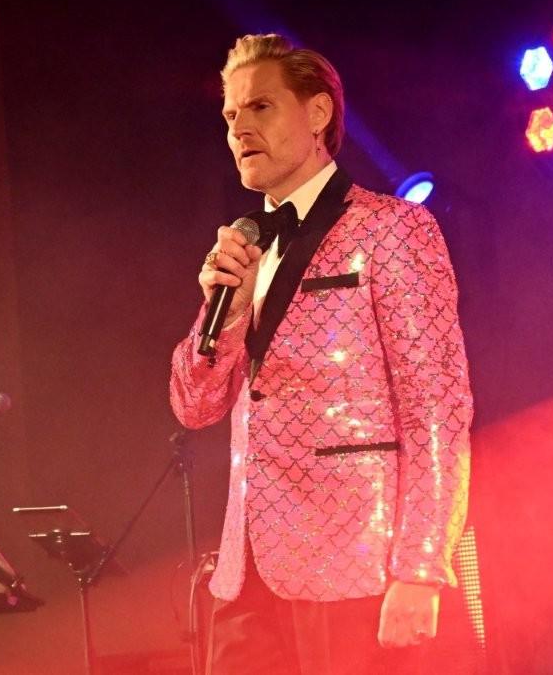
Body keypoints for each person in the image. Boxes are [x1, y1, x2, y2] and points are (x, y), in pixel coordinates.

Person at [170, 33, 472, 675]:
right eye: (230, 115)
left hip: (357, 563)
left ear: (317, 113)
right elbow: (195, 408)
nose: (239, 129)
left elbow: (438, 408)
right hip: (249, 568)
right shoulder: (244, 248)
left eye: (260, 107)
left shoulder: (393, 229)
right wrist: (224, 311)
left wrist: (421, 567)